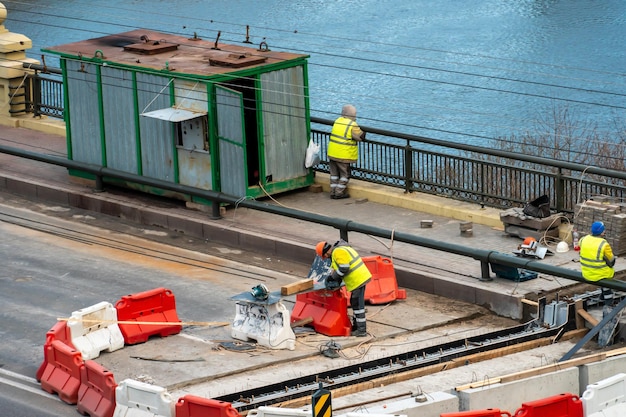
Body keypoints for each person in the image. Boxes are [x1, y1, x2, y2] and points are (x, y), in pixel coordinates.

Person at [315, 240, 372, 337]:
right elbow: (339, 269)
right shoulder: (341, 250)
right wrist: (335, 277)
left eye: (324, 256)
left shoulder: (338, 252)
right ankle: (357, 326)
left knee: (357, 304)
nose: (325, 258)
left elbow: (344, 268)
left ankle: (361, 330)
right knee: (355, 302)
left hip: (358, 279)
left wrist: (333, 278)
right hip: (360, 277)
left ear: (327, 251)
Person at [327, 104, 365, 199]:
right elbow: (360, 137)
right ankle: (339, 193)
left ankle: (332, 192)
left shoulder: (337, 121)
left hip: (332, 152)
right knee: (345, 175)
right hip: (343, 154)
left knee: (334, 174)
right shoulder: (352, 124)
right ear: (352, 115)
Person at [579, 221, 617, 305]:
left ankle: (603, 296)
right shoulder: (604, 244)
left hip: (587, 273)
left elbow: (582, 248)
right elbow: (611, 261)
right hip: (600, 274)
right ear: (602, 232)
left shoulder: (583, 239)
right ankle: (608, 303)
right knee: (608, 275)